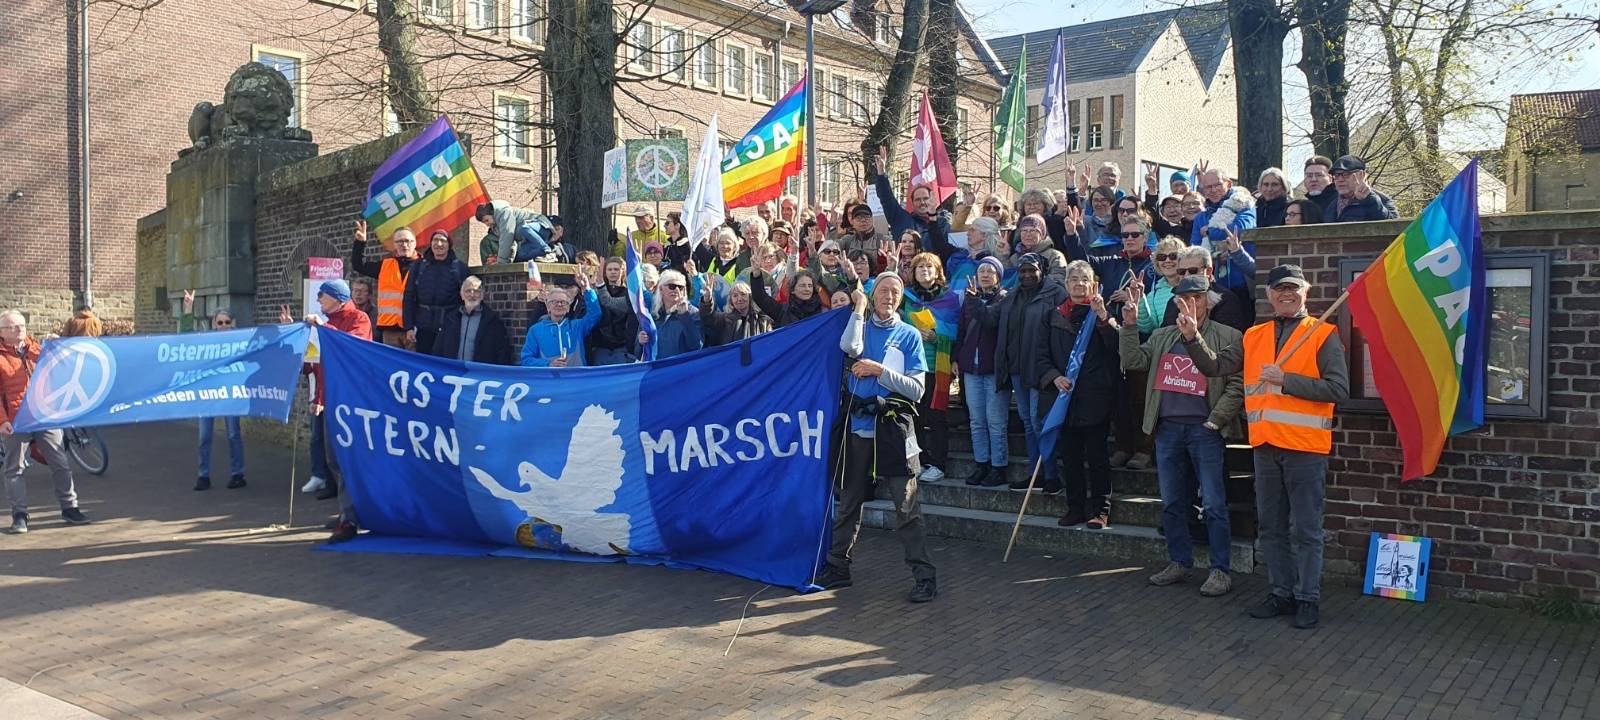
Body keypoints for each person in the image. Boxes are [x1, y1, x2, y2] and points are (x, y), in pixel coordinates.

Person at [1183, 265, 1350, 630]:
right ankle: (1281, 592)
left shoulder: (1323, 334)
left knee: (1305, 530)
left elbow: (1338, 390)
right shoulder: (1253, 336)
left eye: (1293, 288)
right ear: (1270, 295)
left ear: (1305, 292)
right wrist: (1193, 338)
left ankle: (1308, 598)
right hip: (1265, 446)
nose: (1286, 294)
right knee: (1271, 528)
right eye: (1279, 289)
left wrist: (1286, 380)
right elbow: (1214, 367)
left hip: (1306, 449)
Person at [1121, 275, 1245, 597]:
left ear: (1208, 301)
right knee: (1173, 501)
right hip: (1168, 430)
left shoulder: (1229, 335)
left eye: (1198, 298)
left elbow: (1236, 384)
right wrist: (1130, 326)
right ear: (1176, 303)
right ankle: (1179, 561)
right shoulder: (1163, 336)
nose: (1191, 304)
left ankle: (1220, 570)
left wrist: (1215, 421)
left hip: (1205, 430)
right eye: (1184, 298)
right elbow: (1133, 361)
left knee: (1214, 503)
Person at [818, 276, 938, 603]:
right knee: (849, 503)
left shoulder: (910, 335)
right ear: (872, 295)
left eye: (895, 292)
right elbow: (849, 349)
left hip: (893, 430)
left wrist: (878, 371)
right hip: (857, 428)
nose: (889, 296)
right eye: (883, 290)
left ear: (901, 299)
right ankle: (838, 567)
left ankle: (925, 576)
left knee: (906, 507)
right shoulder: (858, 327)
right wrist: (858, 307)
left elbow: (917, 389)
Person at [280, 280, 374, 542]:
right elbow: (312, 364)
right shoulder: (324, 323)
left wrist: (323, 327)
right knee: (332, 459)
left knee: (346, 460)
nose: (319, 300)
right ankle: (347, 511)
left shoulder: (359, 318)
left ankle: (352, 518)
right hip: (328, 399)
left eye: (322, 295)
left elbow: (350, 348)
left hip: (350, 400)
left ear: (337, 297)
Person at [1033, 261, 1120, 521]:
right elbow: (1040, 356)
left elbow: (1117, 346)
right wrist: (1054, 377)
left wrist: (1104, 317)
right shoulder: (1053, 315)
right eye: (1074, 279)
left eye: (1084, 279)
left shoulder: (1103, 311)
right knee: (1070, 458)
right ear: (1066, 284)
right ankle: (1075, 507)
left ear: (1092, 283)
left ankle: (1100, 509)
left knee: (1097, 457)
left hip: (1095, 397)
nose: (1079, 284)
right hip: (1064, 398)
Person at [1, 309, 92, 534]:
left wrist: (58, 345)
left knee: (60, 461)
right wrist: (2, 421)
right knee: (15, 468)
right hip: (16, 420)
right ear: (2, 332)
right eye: (13, 326)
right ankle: (20, 515)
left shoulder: (39, 349)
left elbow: (68, 368)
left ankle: (70, 507)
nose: (19, 329)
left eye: (22, 325)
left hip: (44, 416)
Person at [994, 254, 1068, 470]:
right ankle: (1035, 470)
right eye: (1023, 271)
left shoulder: (1056, 293)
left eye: (1031, 270)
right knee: (1027, 422)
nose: (1026, 275)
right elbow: (991, 318)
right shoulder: (1012, 295)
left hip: (1042, 370)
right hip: (1016, 368)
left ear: (1042, 271)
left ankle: (1050, 473)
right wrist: (973, 302)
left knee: (1039, 422)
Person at [179, 291, 246, 491]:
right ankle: (203, 475)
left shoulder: (239, 341)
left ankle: (237, 474)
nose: (223, 326)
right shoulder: (207, 340)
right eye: (220, 323)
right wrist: (188, 309)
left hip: (230, 394)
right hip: (207, 394)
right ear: (214, 324)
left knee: (234, 434)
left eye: (226, 322)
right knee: (204, 436)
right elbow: (187, 339)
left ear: (232, 323)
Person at [954, 256, 1009, 487]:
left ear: (998, 276)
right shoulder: (969, 299)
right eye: (981, 271)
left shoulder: (1004, 299)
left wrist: (975, 301)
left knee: (996, 420)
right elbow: (962, 330)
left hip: (994, 368)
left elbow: (991, 322)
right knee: (976, 420)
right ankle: (981, 463)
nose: (985, 275)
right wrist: (956, 357)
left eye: (990, 271)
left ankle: (999, 466)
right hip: (971, 367)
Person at [902, 252, 956, 484]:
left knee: (936, 416)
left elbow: (955, 330)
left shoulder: (950, 298)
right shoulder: (906, 298)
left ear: (938, 272)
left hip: (937, 366)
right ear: (913, 272)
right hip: (913, 367)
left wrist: (937, 335)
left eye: (929, 266)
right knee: (915, 416)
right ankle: (920, 460)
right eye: (919, 267)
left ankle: (938, 464)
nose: (925, 270)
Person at [1190, 167, 1259, 324]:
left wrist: (1210, 232)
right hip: (1214, 287)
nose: (1213, 190)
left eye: (1218, 185)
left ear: (1228, 184)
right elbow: (1195, 249)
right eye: (1208, 187)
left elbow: (1241, 228)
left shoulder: (1243, 204)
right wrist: (1214, 258)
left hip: (1242, 285)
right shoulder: (1201, 217)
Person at [869, 149, 953, 262]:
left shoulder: (942, 223)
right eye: (918, 199)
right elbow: (886, 198)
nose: (922, 202)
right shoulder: (901, 219)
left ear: (932, 199)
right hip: (903, 273)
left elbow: (946, 250)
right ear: (912, 203)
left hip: (931, 272)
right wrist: (881, 174)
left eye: (925, 198)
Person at [349, 220, 418, 348]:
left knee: (414, 367)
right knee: (391, 367)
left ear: (415, 243)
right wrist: (360, 243)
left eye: (408, 241)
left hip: (414, 329)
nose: (404, 245)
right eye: (400, 241)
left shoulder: (423, 266)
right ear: (394, 245)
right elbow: (359, 265)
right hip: (390, 330)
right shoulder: (385, 265)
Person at [403, 229, 469, 354]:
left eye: (443, 240)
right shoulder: (418, 266)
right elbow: (409, 296)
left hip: (449, 326)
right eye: (435, 240)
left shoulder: (460, 268)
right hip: (422, 326)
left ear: (449, 244)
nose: (439, 244)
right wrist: (409, 327)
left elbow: (466, 300)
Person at [520, 269, 602, 367]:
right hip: (549, 380)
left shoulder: (577, 326)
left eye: (563, 302)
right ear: (548, 307)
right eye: (554, 302)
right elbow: (526, 360)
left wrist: (587, 289)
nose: (559, 305)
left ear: (568, 308)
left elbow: (595, 314)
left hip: (577, 379)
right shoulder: (535, 330)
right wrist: (548, 364)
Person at [1161, 247, 1252, 333]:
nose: (1186, 276)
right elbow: (1165, 336)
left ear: (1208, 271)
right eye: (1182, 272)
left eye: (1193, 271)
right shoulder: (1173, 301)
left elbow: (1229, 340)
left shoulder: (1226, 300)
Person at [431, 276, 513, 364]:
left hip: (479, 374)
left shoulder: (492, 320)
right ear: (462, 295)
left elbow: (502, 351)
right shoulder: (450, 319)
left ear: (482, 295)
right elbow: (438, 348)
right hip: (453, 372)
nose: (472, 295)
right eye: (468, 291)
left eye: (476, 291)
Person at [587, 257, 642, 365]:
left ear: (622, 271)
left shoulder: (628, 294)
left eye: (616, 269)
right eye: (609, 269)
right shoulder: (596, 292)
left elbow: (609, 302)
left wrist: (599, 285)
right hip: (600, 346)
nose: (613, 272)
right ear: (605, 272)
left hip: (621, 346)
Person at [638, 269, 703, 359]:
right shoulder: (652, 315)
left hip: (679, 369)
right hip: (656, 368)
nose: (676, 290)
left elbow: (697, 346)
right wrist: (640, 342)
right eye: (672, 286)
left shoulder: (693, 313)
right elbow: (637, 351)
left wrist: (684, 316)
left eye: (680, 287)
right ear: (661, 289)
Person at [476, 200, 557, 264]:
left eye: (487, 220)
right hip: (529, 239)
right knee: (520, 256)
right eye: (484, 222)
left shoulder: (505, 214)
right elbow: (511, 243)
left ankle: (548, 252)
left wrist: (501, 262)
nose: (487, 224)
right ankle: (545, 252)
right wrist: (508, 261)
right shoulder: (496, 226)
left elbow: (507, 238)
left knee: (524, 228)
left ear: (492, 213)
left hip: (541, 227)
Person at [1328, 155, 1400, 223]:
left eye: (1346, 174)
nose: (1340, 179)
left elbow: (1394, 225)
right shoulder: (1331, 204)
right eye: (1336, 175)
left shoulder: (1382, 199)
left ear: (1362, 175)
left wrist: (1369, 200)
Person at [748, 266, 824, 328]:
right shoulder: (782, 311)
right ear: (792, 290)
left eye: (810, 286)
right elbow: (760, 297)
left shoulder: (822, 311)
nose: (807, 289)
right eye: (802, 285)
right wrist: (756, 274)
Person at [1015, 214, 1070, 284]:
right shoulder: (1015, 257)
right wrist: (1003, 254)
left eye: (1033, 230)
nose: (1028, 234)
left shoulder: (1055, 255)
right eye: (1024, 231)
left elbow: (1059, 279)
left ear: (1042, 235)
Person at [836, 203, 890, 272]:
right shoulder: (846, 241)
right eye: (859, 218)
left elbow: (891, 268)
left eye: (867, 217)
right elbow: (830, 249)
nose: (863, 220)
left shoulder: (883, 240)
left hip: (876, 280)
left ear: (872, 220)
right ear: (852, 222)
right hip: (852, 279)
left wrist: (883, 262)